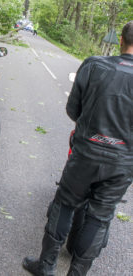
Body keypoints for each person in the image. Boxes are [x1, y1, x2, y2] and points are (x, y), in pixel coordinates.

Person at [22, 21, 133, 275]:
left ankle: (46, 266)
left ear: (120, 41)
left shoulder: (94, 65)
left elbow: (73, 110)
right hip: (123, 163)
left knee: (65, 204)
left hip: (86, 154)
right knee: (100, 217)